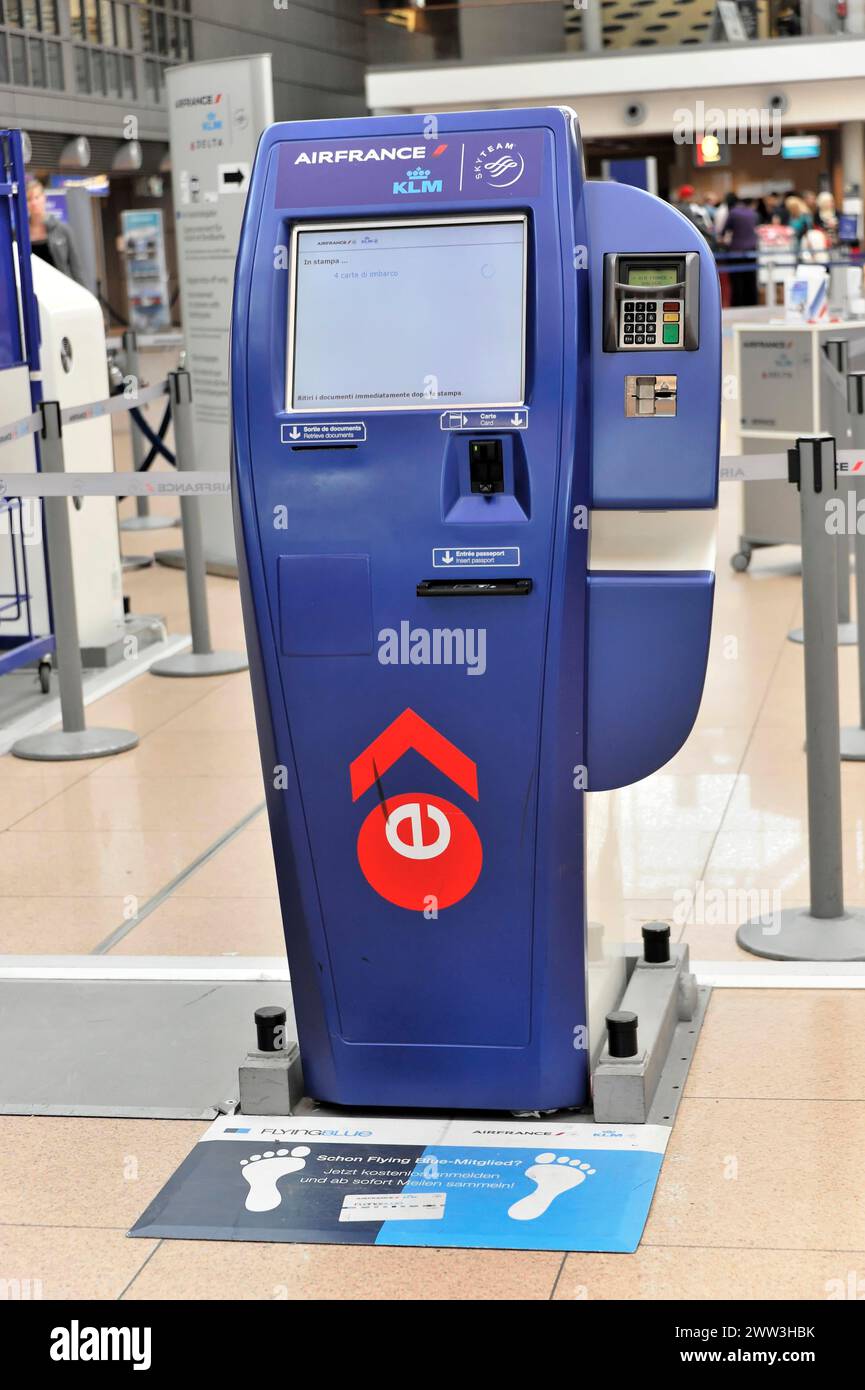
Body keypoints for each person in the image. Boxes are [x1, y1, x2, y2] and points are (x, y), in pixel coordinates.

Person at [26, 176, 85, 284]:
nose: (33, 203)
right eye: (29, 199)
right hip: (33, 291)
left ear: (44, 197)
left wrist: (84, 296)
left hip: (61, 290)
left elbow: (76, 268)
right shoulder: (19, 234)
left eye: (37, 197)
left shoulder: (62, 230)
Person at [722, 194, 759, 306]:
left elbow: (725, 230)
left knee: (737, 281)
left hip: (736, 249)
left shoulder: (733, 212)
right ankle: (752, 302)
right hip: (752, 249)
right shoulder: (753, 213)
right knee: (751, 279)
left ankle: (738, 303)